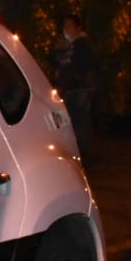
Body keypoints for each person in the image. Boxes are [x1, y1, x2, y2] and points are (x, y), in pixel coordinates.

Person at [53, 13, 99, 158]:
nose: (66, 30)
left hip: (79, 88)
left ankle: (81, 152)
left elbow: (82, 64)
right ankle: (79, 150)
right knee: (74, 119)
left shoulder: (82, 45)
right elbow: (58, 62)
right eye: (64, 27)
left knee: (76, 120)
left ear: (78, 28)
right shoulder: (69, 46)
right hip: (71, 88)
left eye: (69, 26)